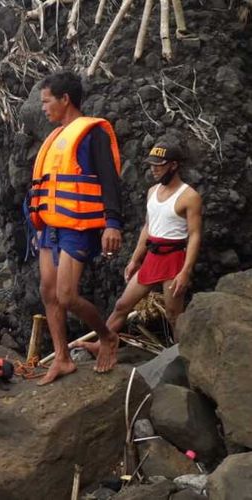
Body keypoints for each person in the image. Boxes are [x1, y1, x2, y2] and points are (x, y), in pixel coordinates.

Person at [27, 70, 124, 385]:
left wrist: (112, 223)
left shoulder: (91, 133)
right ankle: (62, 358)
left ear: (65, 99)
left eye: (46, 101)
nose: (43, 108)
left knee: (67, 296)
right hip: (49, 226)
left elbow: (110, 179)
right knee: (47, 290)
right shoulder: (56, 136)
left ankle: (107, 337)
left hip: (77, 225)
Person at [74, 140, 202, 354]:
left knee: (173, 314)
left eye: (159, 165)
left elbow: (195, 235)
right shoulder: (152, 191)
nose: (154, 169)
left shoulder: (189, 197)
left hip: (174, 258)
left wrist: (185, 271)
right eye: (152, 164)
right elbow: (147, 227)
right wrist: (135, 259)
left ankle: (183, 353)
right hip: (152, 256)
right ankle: (101, 344)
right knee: (122, 305)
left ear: (173, 165)